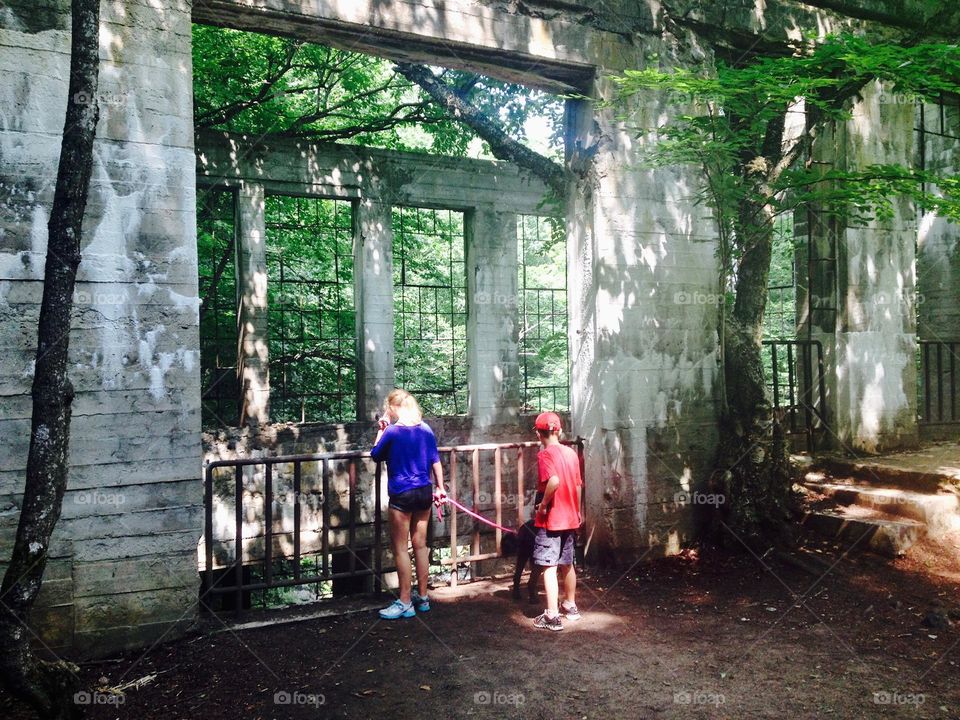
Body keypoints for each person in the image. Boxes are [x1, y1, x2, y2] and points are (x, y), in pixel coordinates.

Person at [370, 389, 447, 619]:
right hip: (424, 493)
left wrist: (381, 429)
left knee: (401, 548)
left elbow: (375, 454)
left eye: (389, 409)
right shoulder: (425, 429)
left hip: (402, 495)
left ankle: (405, 601)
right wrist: (441, 488)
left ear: (394, 409)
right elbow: (436, 461)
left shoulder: (392, 432)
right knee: (421, 545)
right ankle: (423, 598)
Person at [531, 411, 583, 631]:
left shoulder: (545, 455)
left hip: (551, 519)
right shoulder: (570, 453)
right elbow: (578, 486)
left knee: (549, 566)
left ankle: (552, 615)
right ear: (559, 430)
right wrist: (577, 511)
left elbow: (553, 480)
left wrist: (542, 507)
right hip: (570, 516)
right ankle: (570, 606)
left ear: (538, 434)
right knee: (567, 562)